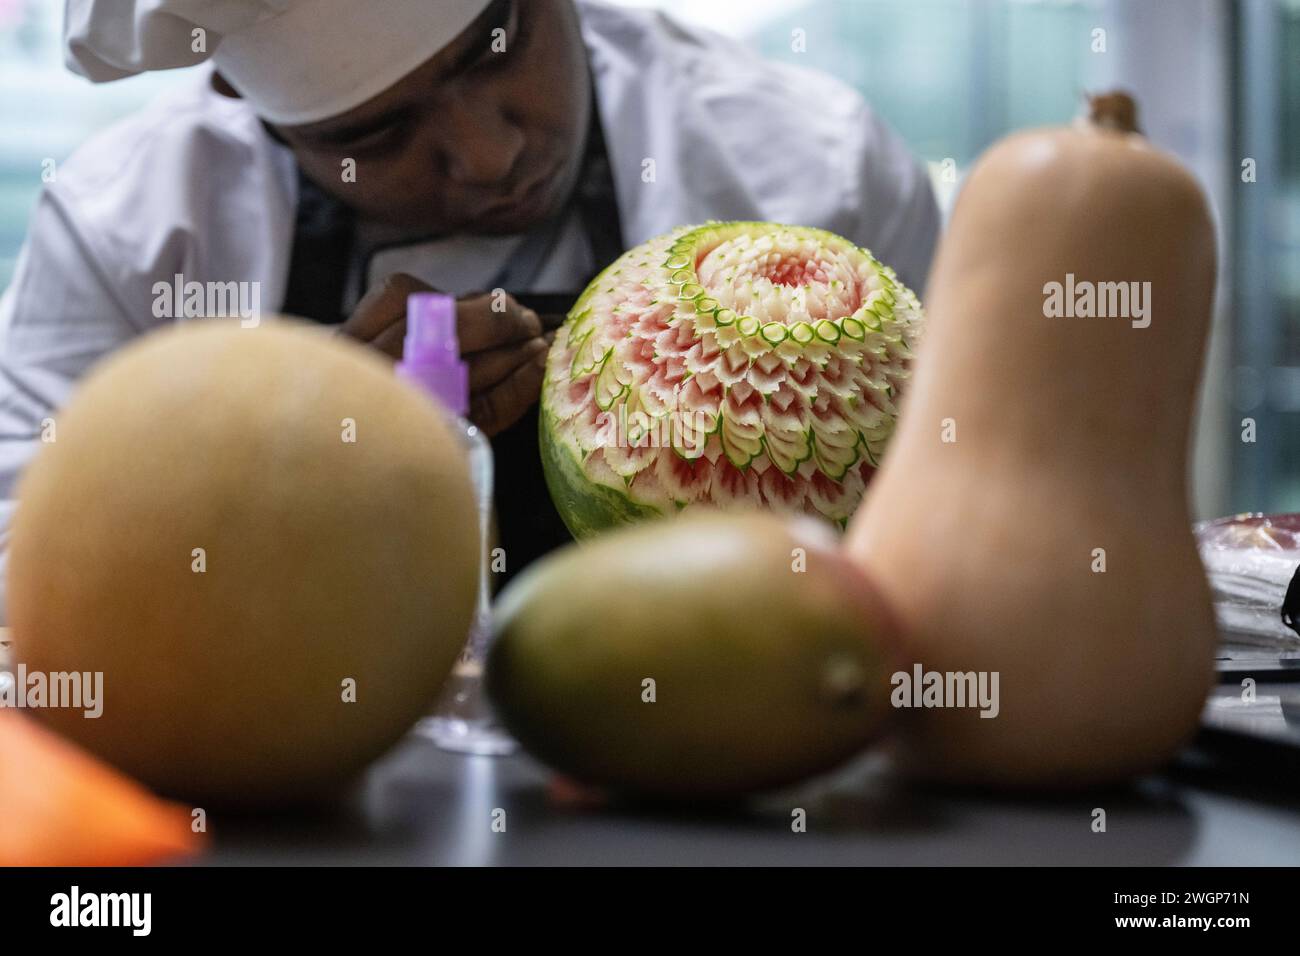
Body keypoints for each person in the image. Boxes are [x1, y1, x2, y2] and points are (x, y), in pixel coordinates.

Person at [0, 0, 939, 619]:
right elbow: (26, 574)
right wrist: (270, 460)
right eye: (376, 133)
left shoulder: (818, 173)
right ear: (239, 100)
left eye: (499, 51)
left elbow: (943, 524)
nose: (488, 155)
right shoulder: (132, 230)